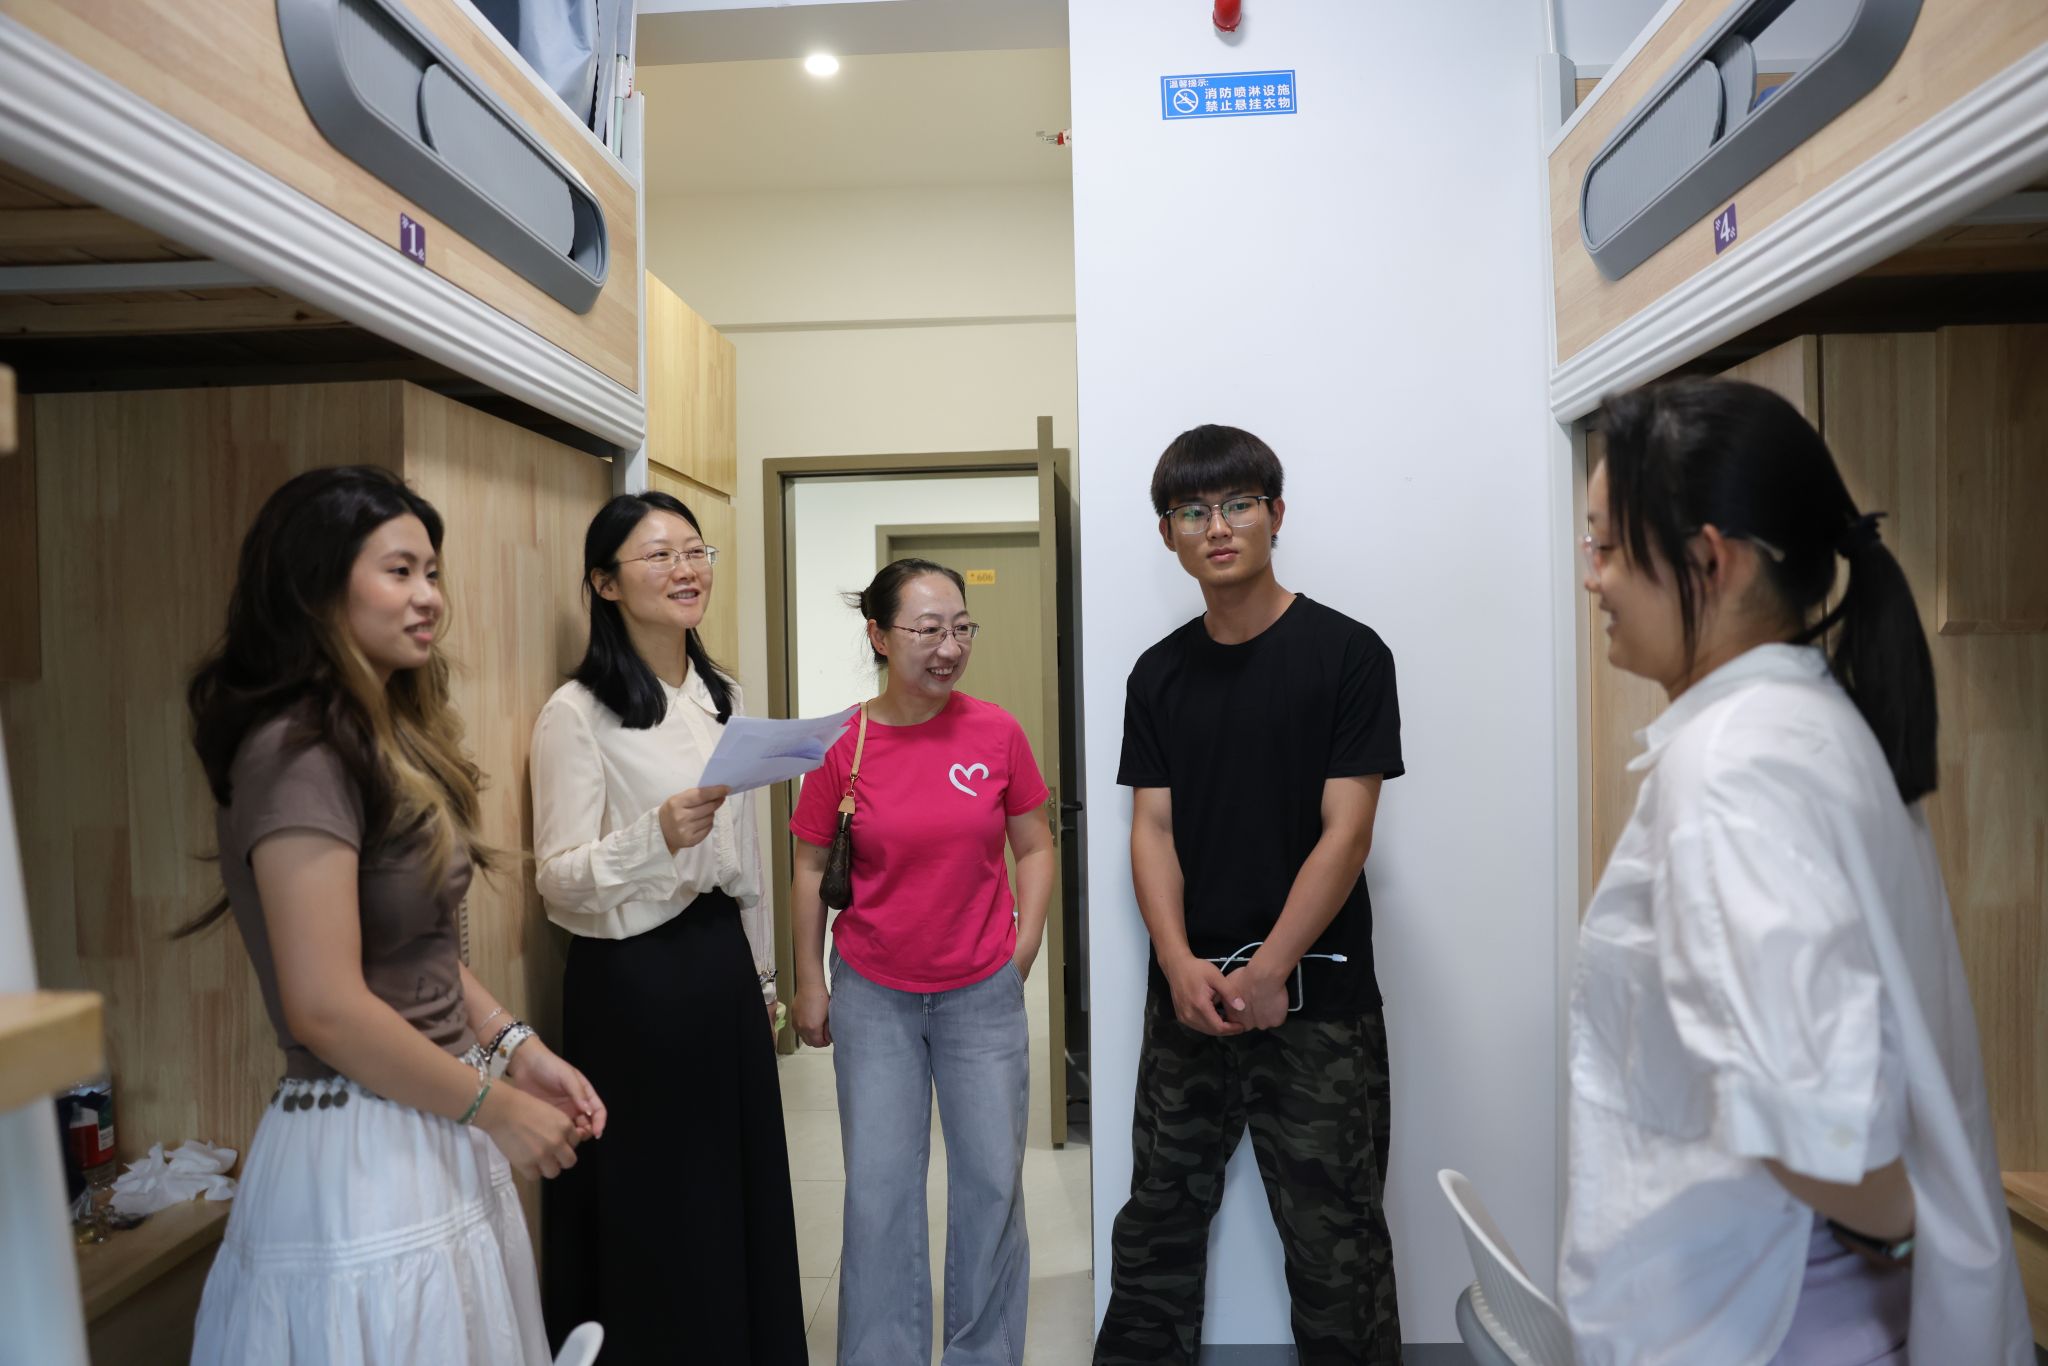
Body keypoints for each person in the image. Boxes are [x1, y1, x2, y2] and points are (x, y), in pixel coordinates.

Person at [1564, 377, 2032, 1363]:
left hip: (1773, 1316)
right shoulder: (1795, 725)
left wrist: (1902, 1232)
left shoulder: (1734, 767)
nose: (1591, 578)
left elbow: (1819, 1132)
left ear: (1712, 560)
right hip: (1787, 1293)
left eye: (1606, 547)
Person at [184, 465, 603, 1366]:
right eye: (400, 571)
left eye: (433, 573)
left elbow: (418, 953)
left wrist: (515, 1048)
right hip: (359, 1151)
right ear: (317, 586)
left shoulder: (379, 737)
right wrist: (493, 1105)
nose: (429, 598)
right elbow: (325, 1007)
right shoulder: (296, 752)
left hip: (428, 1118)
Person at [1093, 425, 1405, 1366]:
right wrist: (1177, 963)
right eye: (1192, 511)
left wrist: (1272, 968)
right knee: (1156, 1234)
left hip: (1318, 1003)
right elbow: (1152, 830)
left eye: (1237, 505)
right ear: (1167, 535)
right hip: (1188, 1002)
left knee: (1337, 1249)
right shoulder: (1157, 674)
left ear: (1276, 514)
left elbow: (1346, 832)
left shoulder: (1349, 654)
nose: (1218, 527)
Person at [530, 491, 805, 1364]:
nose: (687, 570)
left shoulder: (724, 695)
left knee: (735, 1183)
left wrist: (763, 977)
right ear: (605, 584)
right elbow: (555, 879)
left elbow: (744, 856)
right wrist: (653, 838)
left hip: (720, 964)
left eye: (695, 551)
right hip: (634, 981)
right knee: (662, 1195)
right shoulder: (577, 712)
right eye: (660, 556)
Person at [789, 558, 1055, 1366]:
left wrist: (1022, 950)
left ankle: (983, 1354)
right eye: (929, 630)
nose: (950, 648)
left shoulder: (996, 731)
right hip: (874, 994)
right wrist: (810, 980)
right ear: (879, 635)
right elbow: (808, 865)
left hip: (981, 993)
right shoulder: (843, 742)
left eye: (962, 628)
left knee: (991, 1185)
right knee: (879, 1191)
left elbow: (1035, 845)